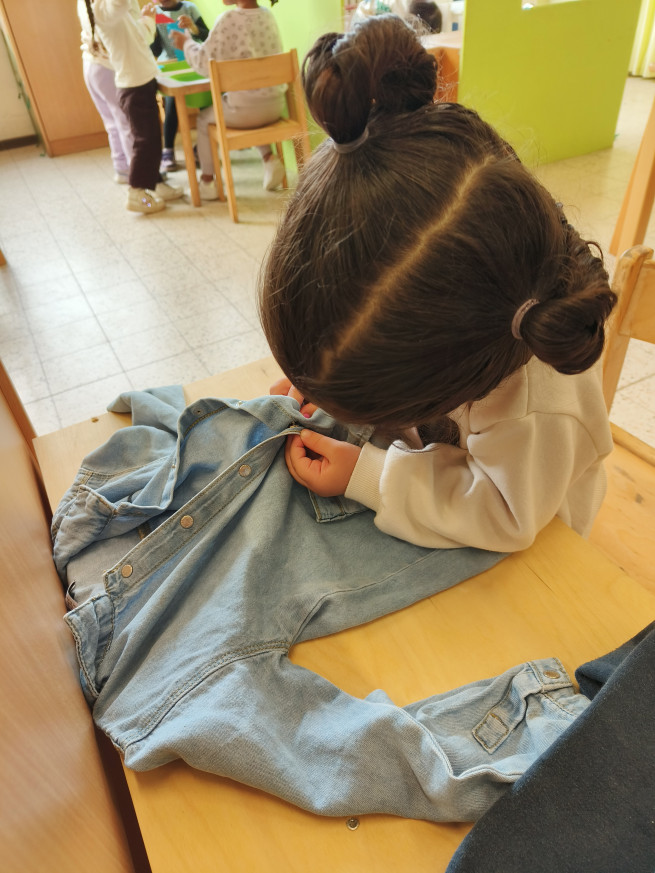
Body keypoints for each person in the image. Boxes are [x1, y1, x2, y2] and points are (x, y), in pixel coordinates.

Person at [259, 15, 617, 554]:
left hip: (529, 546)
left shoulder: (535, 406)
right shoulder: (457, 286)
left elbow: (504, 515)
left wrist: (367, 475)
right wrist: (327, 378)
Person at [171, 0, 286, 201]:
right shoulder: (268, 16)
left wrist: (186, 44)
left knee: (204, 120)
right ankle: (269, 159)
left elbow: (202, 63)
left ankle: (207, 182)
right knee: (245, 105)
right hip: (276, 105)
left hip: (245, 111)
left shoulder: (228, 19)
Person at [87, 0, 183, 213]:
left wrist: (147, 18)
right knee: (145, 141)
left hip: (142, 80)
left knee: (152, 139)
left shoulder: (116, 12)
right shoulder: (103, 9)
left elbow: (141, 37)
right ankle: (137, 193)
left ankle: (155, 183)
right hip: (133, 85)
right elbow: (119, 5)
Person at [77, 0, 134, 184]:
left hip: (91, 63)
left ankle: (122, 168)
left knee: (112, 121)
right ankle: (137, 172)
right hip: (106, 66)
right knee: (125, 122)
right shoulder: (105, 5)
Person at [151, 0, 210, 171]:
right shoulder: (154, 14)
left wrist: (193, 27)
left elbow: (206, 36)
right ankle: (168, 149)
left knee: (206, 104)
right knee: (172, 105)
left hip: (194, 63)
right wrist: (151, 29)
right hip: (170, 66)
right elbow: (155, 50)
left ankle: (202, 148)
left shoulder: (189, 8)